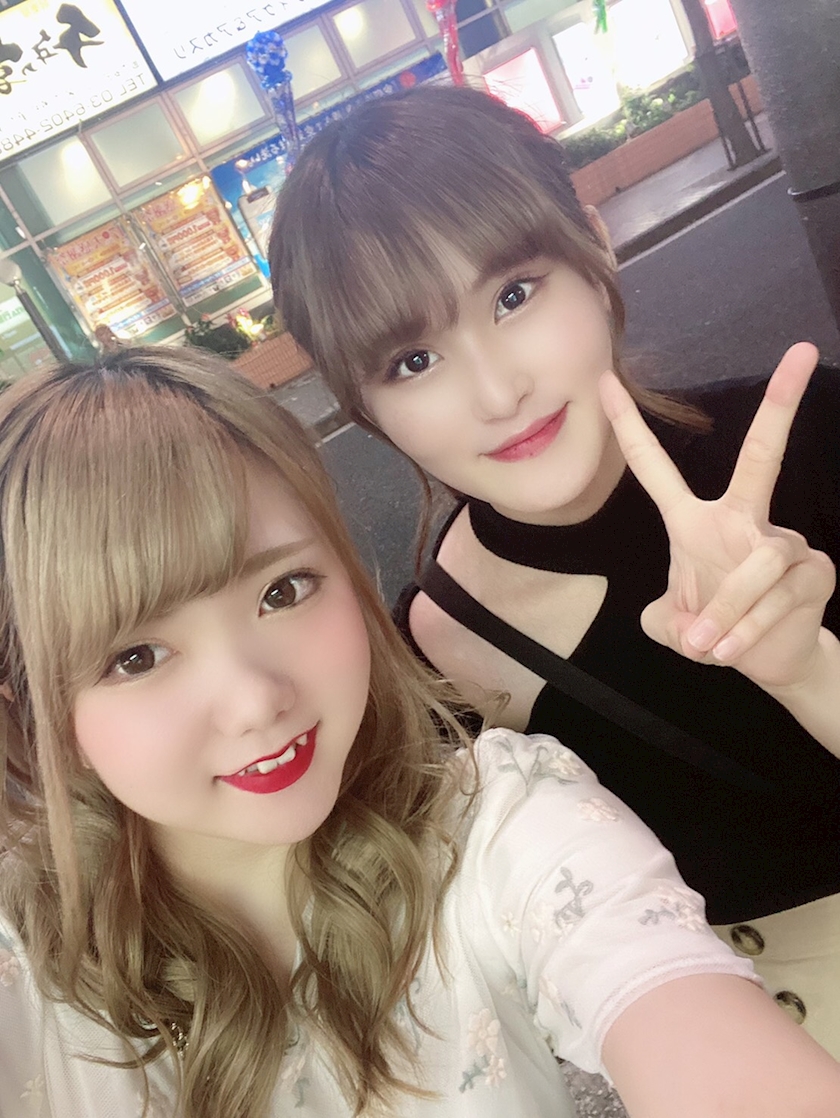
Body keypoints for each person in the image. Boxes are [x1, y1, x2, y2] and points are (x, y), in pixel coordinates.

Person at [2, 347, 840, 1118]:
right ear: (32, 714)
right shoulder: (25, 971)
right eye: (136, 657)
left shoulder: (498, 826)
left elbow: (667, 997)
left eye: (283, 591)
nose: (255, 702)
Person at [269, 83, 840, 1059]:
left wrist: (805, 666)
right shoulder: (441, 659)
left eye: (514, 295)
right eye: (412, 360)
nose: (499, 392)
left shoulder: (810, 438)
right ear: (365, 407)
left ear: (593, 245)